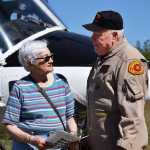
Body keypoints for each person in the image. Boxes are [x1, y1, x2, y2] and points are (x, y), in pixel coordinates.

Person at [83, 10, 148, 150]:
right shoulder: (104, 58)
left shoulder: (129, 61)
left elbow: (133, 116)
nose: (92, 38)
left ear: (115, 35)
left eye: (98, 34)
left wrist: (126, 147)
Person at [2, 40, 78, 150]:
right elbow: (10, 125)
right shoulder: (20, 87)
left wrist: (73, 135)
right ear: (30, 62)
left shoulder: (62, 82)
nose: (51, 60)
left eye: (51, 56)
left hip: (58, 146)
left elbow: (70, 116)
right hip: (29, 146)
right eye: (46, 58)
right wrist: (31, 139)